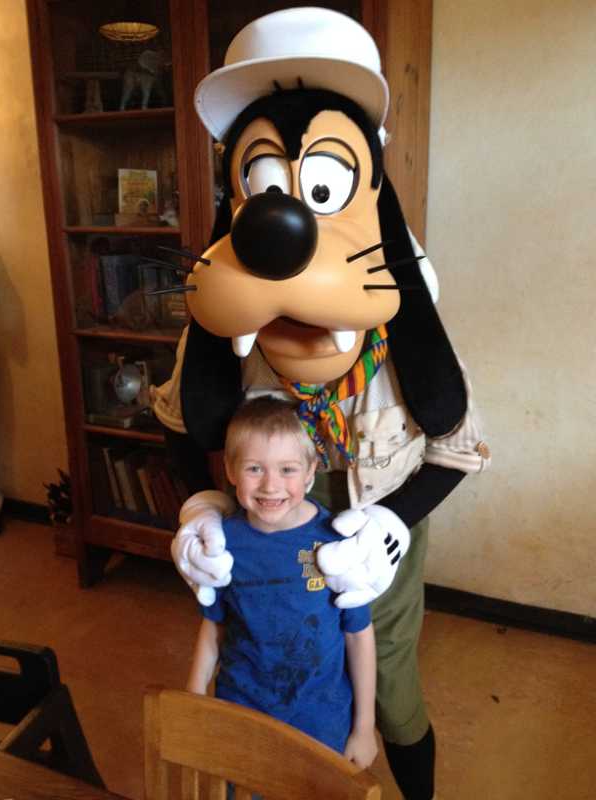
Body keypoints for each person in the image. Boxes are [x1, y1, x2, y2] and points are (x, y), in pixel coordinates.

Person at [154, 9, 491, 799]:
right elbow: (178, 422)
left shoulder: (403, 327)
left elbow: (459, 447)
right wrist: (200, 505)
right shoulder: (226, 328)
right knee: (266, 668)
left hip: (376, 511)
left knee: (390, 691)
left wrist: (391, 524)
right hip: (267, 524)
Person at [186, 396, 378, 769]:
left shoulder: (338, 543)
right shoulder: (221, 543)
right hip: (241, 709)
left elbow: (359, 634)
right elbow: (214, 625)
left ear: (310, 471)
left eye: (287, 469)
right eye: (254, 468)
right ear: (230, 470)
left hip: (321, 718)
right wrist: (194, 696)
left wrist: (364, 727)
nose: (271, 485)